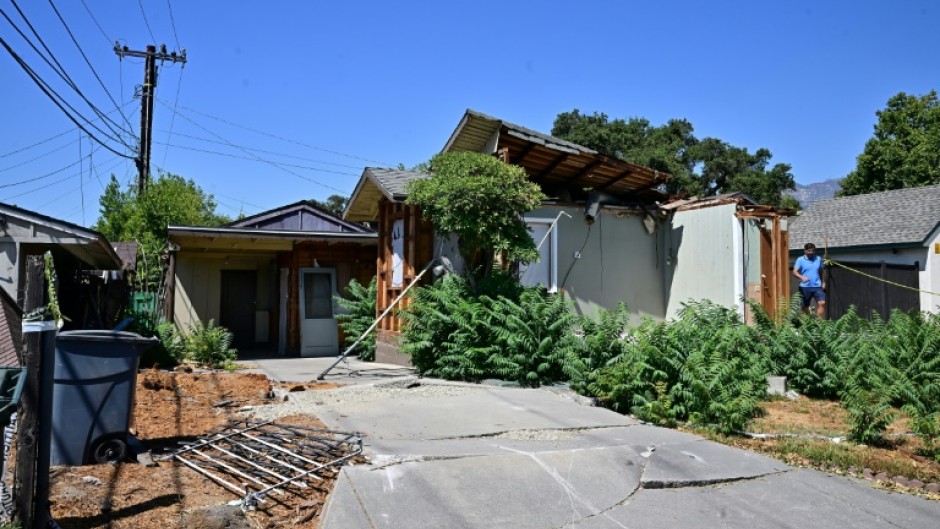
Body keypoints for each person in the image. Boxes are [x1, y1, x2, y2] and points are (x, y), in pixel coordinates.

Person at [793, 242, 826, 317]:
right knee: (805, 306)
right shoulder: (800, 260)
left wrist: (823, 282)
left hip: (817, 285)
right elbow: (794, 272)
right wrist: (801, 277)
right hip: (805, 287)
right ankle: (807, 322)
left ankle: (819, 323)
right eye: (809, 251)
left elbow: (822, 271)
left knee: (822, 303)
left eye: (813, 251)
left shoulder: (818, 259)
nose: (811, 252)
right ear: (805, 251)